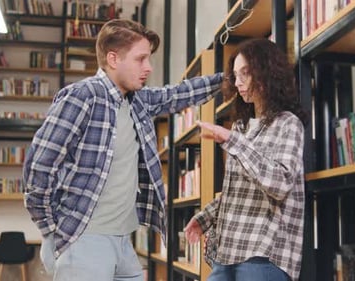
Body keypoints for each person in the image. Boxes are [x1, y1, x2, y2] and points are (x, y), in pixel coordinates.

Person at [23, 19, 223, 281]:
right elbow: (39, 165)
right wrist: (51, 228)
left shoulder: (136, 101)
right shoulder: (83, 96)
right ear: (113, 59)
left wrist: (228, 79)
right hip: (84, 239)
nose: (149, 68)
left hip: (122, 239)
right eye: (141, 59)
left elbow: (177, 94)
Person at [184, 38, 308, 281]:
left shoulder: (288, 124)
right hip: (229, 248)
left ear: (266, 73)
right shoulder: (241, 127)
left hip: (264, 253)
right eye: (235, 75)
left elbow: (280, 183)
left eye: (246, 73)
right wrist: (204, 218)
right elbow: (236, 193)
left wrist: (231, 141)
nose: (238, 82)